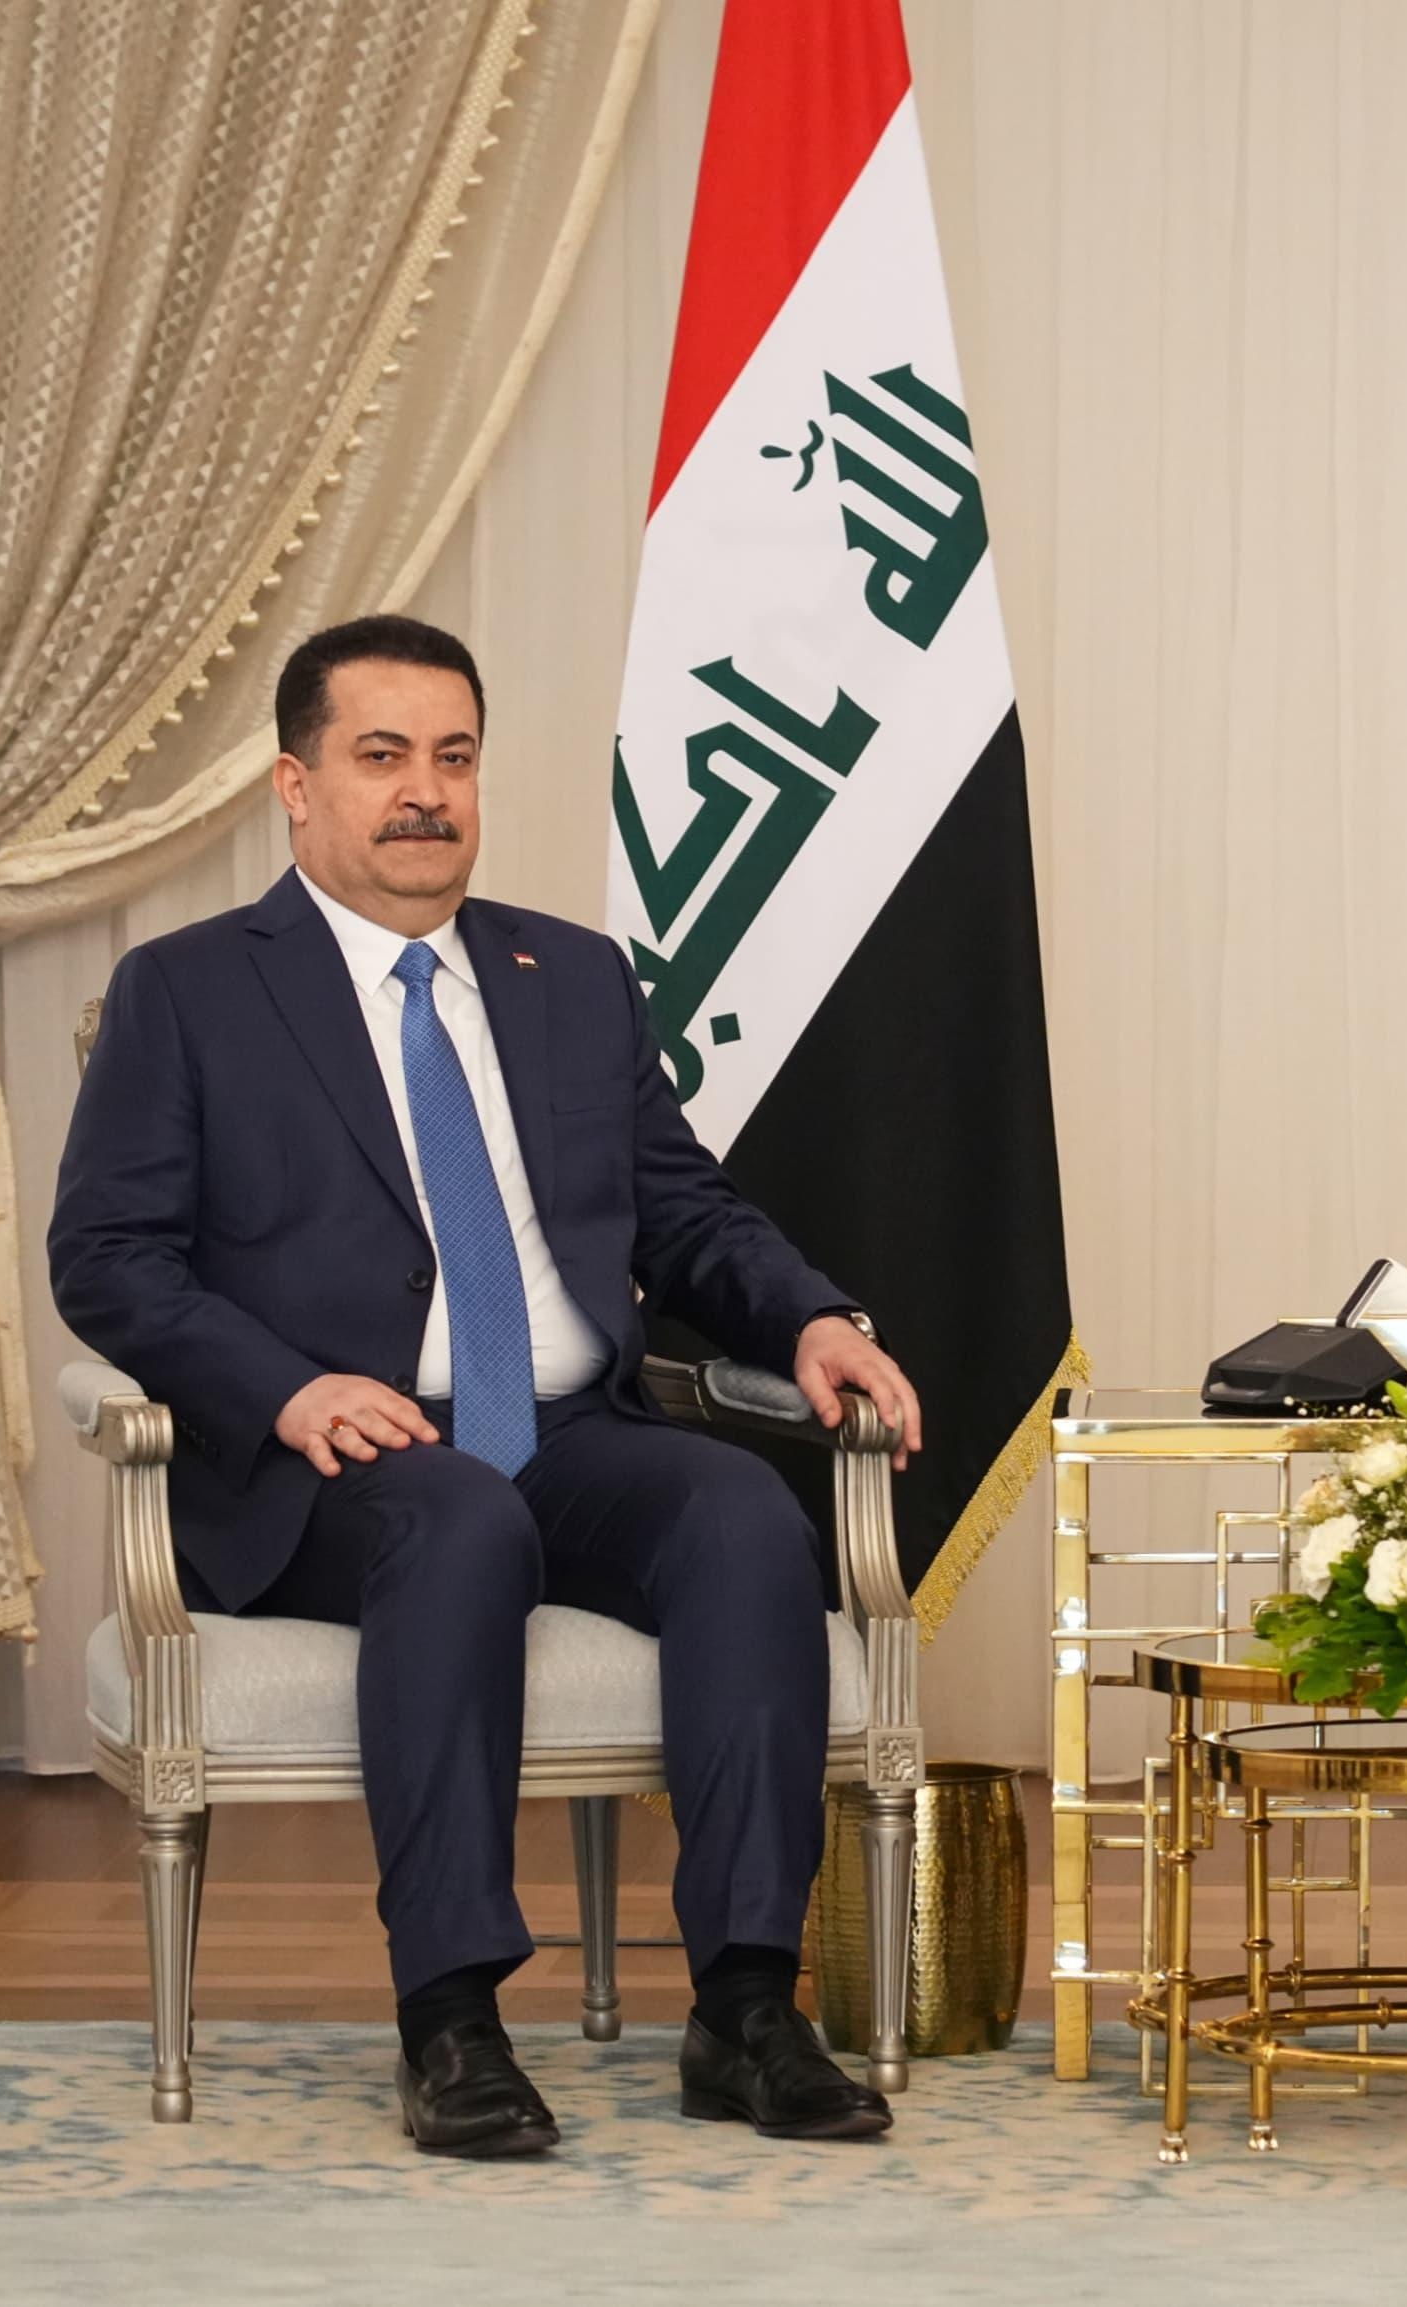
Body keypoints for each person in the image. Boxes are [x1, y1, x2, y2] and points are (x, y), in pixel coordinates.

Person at [51, 615, 925, 2158]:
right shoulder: (188, 991)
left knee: (739, 1514)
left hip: (570, 1433)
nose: (426, 792)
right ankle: (450, 2021)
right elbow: (108, 1257)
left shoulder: (570, 976)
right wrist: (287, 1390)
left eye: (453, 757)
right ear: (296, 785)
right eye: (382, 755)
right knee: (455, 1519)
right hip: (337, 1465)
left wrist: (809, 1317)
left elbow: (681, 1208)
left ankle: (746, 2008)